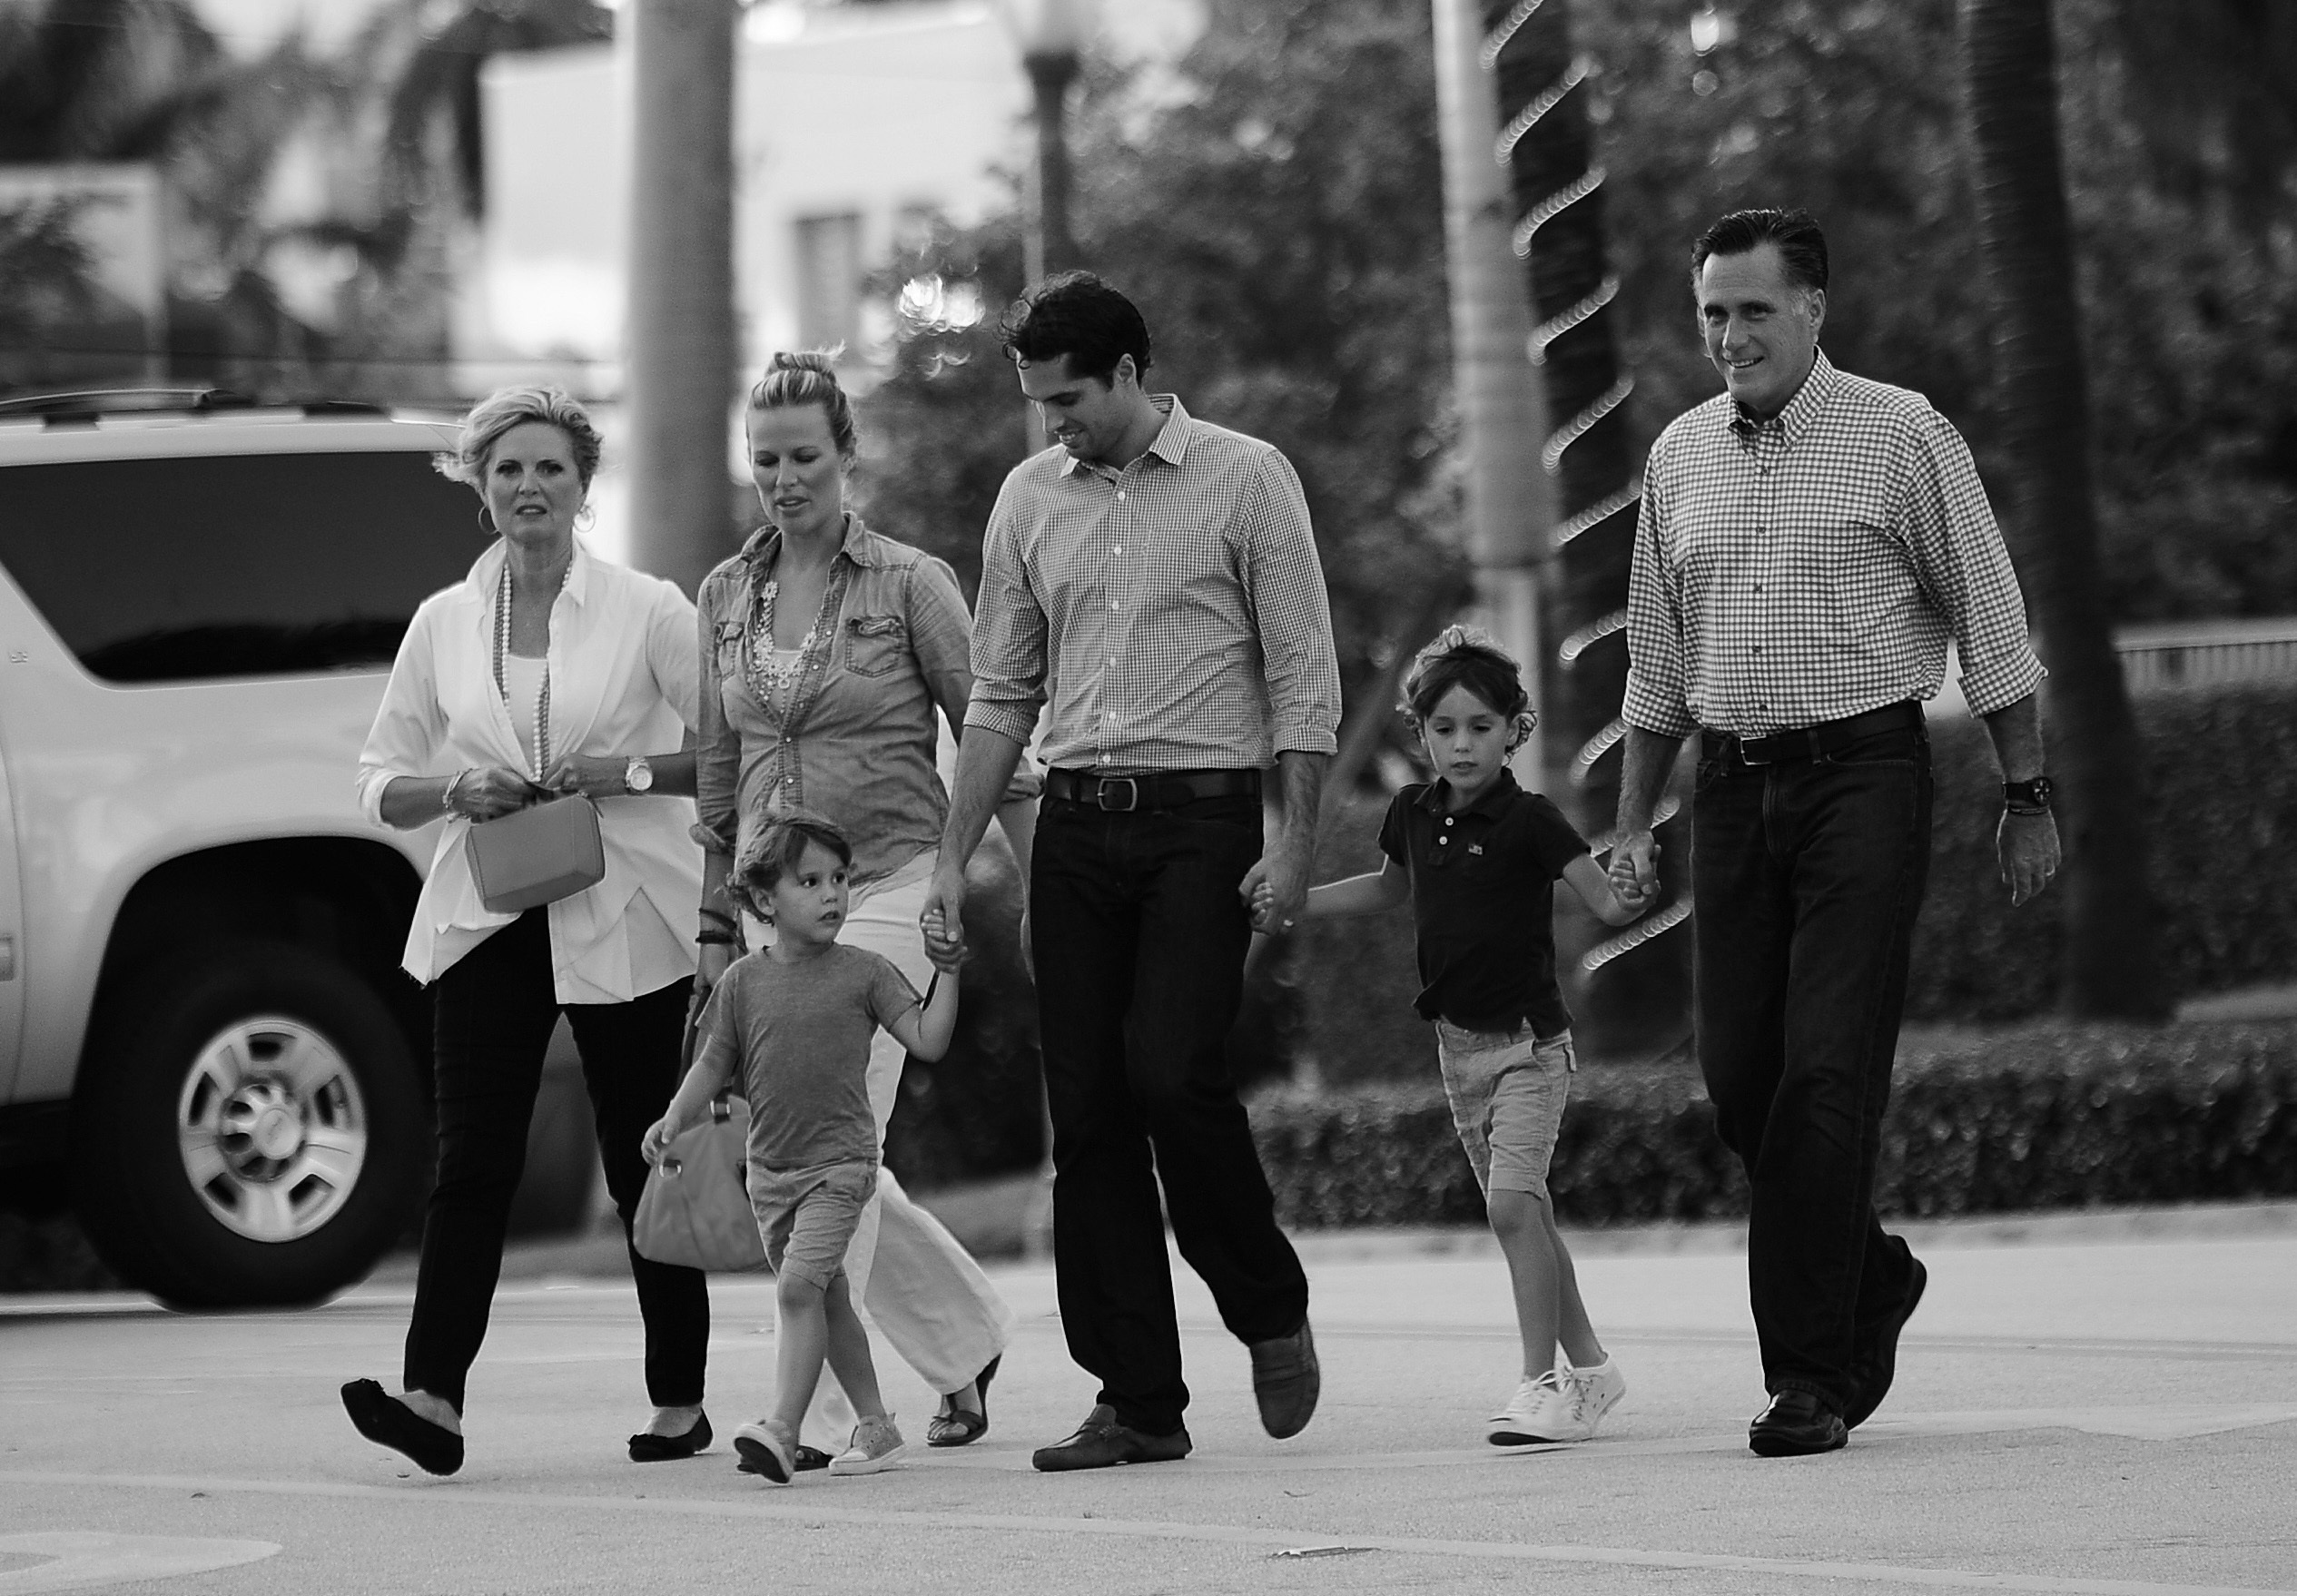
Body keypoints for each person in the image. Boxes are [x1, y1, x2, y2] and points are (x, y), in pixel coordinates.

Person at [1609, 208, 2060, 1458]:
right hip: (1728, 789)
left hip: (1864, 773)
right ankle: (1872, 1272)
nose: (1728, 334)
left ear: (1812, 308)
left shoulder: (1900, 433)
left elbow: (1991, 620)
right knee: (1740, 1077)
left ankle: (1807, 1373)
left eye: (1752, 309)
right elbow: (1656, 663)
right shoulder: (1678, 456)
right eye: (1710, 310)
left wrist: (2025, 794)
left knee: (1823, 1072)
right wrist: (1633, 823)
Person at [922, 271, 1342, 1472]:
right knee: (1091, 1120)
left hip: (1200, 822)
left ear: (1126, 373)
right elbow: (1002, 693)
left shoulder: (1246, 477)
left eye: (1066, 400)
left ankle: (1263, 1301)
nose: (1050, 423)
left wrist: (1293, 841)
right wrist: (954, 863)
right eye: (1035, 405)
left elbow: (1302, 678)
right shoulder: (1026, 500)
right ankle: (1137, 1400)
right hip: (1074, 827)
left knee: (1171, 1072)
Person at [343, 385, 713, 1476]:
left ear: (583, 484)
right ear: (480, 487)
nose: (528, 486)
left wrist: (623, 773)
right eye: (506, 469)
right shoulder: (443, 622)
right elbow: (376, 781)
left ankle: (679, 1400)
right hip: (488, 908)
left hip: (623, 905)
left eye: (549, 467)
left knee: (644, 1154)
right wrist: (457, 788)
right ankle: (433, 1401)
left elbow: (726, 750)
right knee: (472, 1160)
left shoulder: (651, 609)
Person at [693, 350, 1027, 1464]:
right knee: (813, 1148)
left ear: (846, 456)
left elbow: (989, 733)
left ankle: (810, 1419)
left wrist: (1023, 882)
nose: (783, 479)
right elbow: (715, 765)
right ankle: (964, 1343)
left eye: (803, 457)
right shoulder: (723, 594)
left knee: (836, 1134)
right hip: (763, 904)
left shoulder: (910, 583)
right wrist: (711, 927)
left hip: (886, 885)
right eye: (765, 460)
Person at [1279, 627, 1640, 1445]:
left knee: (1514, 1208)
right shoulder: (1411, 813)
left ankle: (1539, 1383)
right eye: (1444, 729)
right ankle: (1593, 1370)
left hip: (1528, 1049)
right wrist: (1298, 900)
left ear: (1515, 729)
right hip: (1457, 1051)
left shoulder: (1534, 821)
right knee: (1530, 1215)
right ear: (1422, 735)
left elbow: (1607, 904)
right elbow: (1385, 892)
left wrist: (1630, 877)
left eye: (1481, 726)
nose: (1462, 744)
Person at [644, 815, 963, 1484]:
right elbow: (713, 1064)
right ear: (765, 902)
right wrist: (674, 1117)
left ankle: (782, 1430)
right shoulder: (741, 983)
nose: (833, 896)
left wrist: (948, 973)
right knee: (830, 1297)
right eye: (810, 881)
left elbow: (929, 1039)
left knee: (797, 1291)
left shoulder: (866, 974)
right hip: (771, 1174)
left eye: (841, 879)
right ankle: (875, 1426)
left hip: (841, 1168)